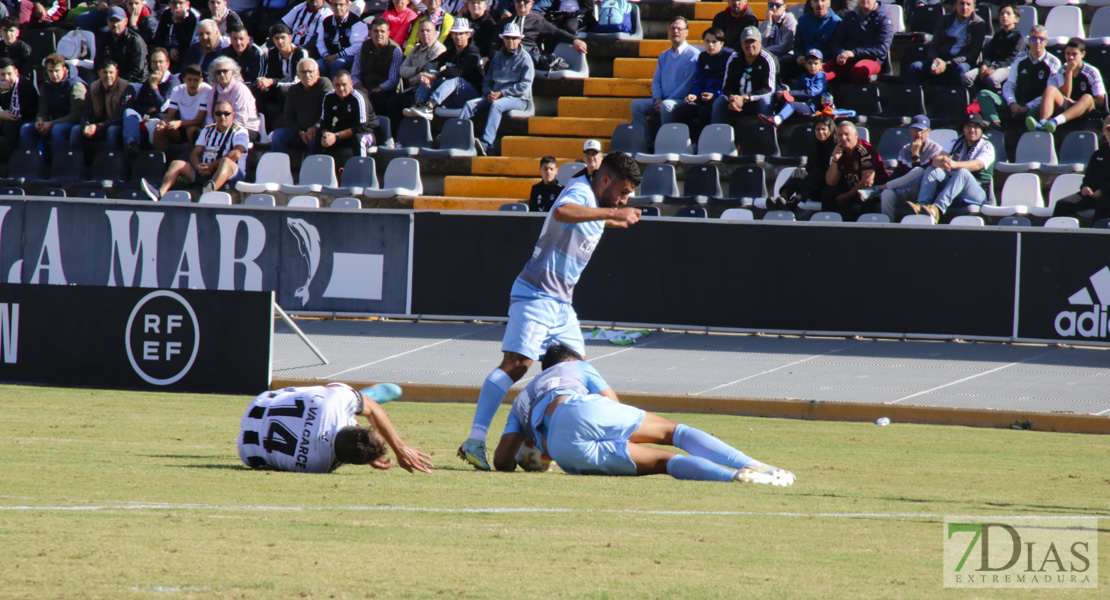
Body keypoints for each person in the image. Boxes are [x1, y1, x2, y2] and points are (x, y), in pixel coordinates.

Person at [457, 151, 642, 471]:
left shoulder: (598, 202)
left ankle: (532, 443)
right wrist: (612, 214)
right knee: (517, 365)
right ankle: (475, 439)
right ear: (607, 181)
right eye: (623, 192)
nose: (624, 199)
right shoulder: (580, 191)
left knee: (576, 374)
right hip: (536, 295)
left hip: (561, 305)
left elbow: (586, 218)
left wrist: (613, 217)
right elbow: (562, 212)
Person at [492, 344, 795, 486]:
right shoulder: (577, 366)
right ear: (573, 359)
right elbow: (612, 402)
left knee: (663, 463)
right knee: (672, 433)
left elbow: (502, 461)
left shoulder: (521, 399)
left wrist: (538, 457)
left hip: (563, 451)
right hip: (577, 410)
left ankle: (735, 478)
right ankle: (754, 465)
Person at [237, 382, 433, 475]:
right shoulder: (319, 466)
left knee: (329, 392)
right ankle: (357, 402)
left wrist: (401, 449)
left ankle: (357, 400)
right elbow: (345, 453)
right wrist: (367, 457)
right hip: (247, 449)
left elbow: (373, 411)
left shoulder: (335, 401)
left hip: (259, 404)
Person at [142, 99, 250, 198]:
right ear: (214, 115)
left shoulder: (240, 132)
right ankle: (159, 193)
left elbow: (236, 154)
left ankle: (209, 195)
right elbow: (195, 153)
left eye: (227, 114)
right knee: (177, 164)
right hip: (205, 170)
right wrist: (198, 166)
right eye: (219, 113)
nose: (222, 117)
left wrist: (212, 166)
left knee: (225, 161)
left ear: (233, 115)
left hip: (231, 173)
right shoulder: (208, 130)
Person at [459, 21, 533, 156]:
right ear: (503, 39)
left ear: (519, 39)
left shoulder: (525, 59)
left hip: (518, 99)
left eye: (514, 38)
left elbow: (524, 86)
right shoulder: (497, 56)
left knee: (497, 105)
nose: (511, 40)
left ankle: (486, 143)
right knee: (469, 105)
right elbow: (487, 81)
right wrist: (489, 93)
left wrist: (501, 94)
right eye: (508, 37)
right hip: (494, 95)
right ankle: (459, 139)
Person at [907, 113, 995, 224]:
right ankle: (923, 206)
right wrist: (943, 161)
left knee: (962, 172)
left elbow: (978, 164)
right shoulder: (955, 142)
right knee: (931, 170)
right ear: (963, 129)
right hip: (954, 185)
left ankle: (937, 209)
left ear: (982, 129)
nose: (972, 130)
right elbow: (936, 160)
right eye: (968, 126)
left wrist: (954, 164)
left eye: (976, 127)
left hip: (978, 191)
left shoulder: (987, 146)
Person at [630, 16, 698, 152]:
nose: (676, 32)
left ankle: (665, 145)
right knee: (636, 106)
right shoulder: (663, 56)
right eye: (673, 28)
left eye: (679, 28)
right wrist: (657, 98)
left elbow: (687, 84)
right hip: (663, 99)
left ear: (687, 32)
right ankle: (646, 145)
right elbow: (656, 81)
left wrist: (667, 100)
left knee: (666, 106)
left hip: (680, 100)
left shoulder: (693, 55)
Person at [976, 25, 1061, 130]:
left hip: (1035, 106)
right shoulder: (1020, 58)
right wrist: (1012, 103)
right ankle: (995, 123)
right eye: (1034, 38)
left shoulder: (1054, 63)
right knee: (984, 94)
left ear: (1046, 41)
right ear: (1029, 41)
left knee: (1031, 115)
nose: (1037, 42)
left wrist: (1026, 107)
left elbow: (1049, 94)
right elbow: (1009, 84)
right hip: (1016, 103)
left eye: (1041, 39)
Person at [402, 17, 484, 119]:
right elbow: (434, 62)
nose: (458, 37)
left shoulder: (473, 54)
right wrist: (425, 73)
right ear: (452, 35)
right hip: (453, 95)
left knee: (455, 79)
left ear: (468, 35)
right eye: (456, 34)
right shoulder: (451, 51)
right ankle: (419, 104)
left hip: (472, 96)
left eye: (461, 34)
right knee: (430, 72)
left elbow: (458, 71)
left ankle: (429, 106)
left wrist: (435, 76)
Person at [1026, 38, 1105, 134]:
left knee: (1087, 97)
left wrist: (1078, 102)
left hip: (1085, 110)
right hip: (1067, 106)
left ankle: (1055, 122)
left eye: (1074, 54)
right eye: (1067, 53)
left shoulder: (1091, 72)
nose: (1070, 57)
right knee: (1050, 89)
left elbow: (1100, 101)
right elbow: (1065, 95)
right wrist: (1069, 72)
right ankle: (1043, 124)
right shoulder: (1062, 69)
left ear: (1082, 54)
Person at [717, 26, 776, 149]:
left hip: (756, 100)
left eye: (753, 41)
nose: (750, 45)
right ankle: (719, 143)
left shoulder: (767, 59)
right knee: (718, 104)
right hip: (737, 101)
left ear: (760, 42)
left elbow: (769, 89)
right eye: (746, 42)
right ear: (741, 44)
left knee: (765, 102)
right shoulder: (734, 58)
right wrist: (732, 98)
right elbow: (726, 87)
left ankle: (765, 142)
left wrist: (745, 98)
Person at [876, 114, 945, 220]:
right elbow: (897, 175)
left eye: (921, 130)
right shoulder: (904, 150)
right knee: (887, 193)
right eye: (915, 129)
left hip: (927, 193)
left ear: (928, 132)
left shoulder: (936, 150)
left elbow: (921, 177)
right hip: (907, 191)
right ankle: (887, 224)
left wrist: (915, 156)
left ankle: (878, 189)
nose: (918, 134)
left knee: (919, 171)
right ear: (910, 131)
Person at [905, 0, 986, 87]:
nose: (964, 7)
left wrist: (948, 63)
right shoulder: (944, 20)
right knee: (915, 67)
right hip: (940, 60)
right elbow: (934, 45)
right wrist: (935, 60)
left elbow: (972, 54)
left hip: (960, 62)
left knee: (961, 69)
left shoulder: (979, 24)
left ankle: (954, 99)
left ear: (973, 7)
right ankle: (914, 98)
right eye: (961, 3)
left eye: (968, 4)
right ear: (955, 5)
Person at [19, 53, 86, 159]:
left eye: (57, 71)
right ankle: (31, 164)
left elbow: (77, 116)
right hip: (53, 123)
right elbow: (42, 110)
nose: (54, 75)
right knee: (26, 129)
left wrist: (51, 123)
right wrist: (40, 121)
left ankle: (59, 166)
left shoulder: (76, 85)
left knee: (57, 129)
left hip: (71, 124)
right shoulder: (46, 86)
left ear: (64, 69)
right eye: (51, 71)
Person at [671, 26, 732, 143]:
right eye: (707, 42)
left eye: (714, 42)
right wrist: (694, 94)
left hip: (719, 98)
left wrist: (714, 95)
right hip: (703, 97)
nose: (710, 45)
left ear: (722, 43)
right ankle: (690, 142)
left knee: (704, 113)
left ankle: (702, 143)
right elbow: (699, 80)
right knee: (680, 112)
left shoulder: (728, 58)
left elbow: (729, 84)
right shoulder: (703, 57)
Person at [496, 0, 587, 72]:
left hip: (527, 58)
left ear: (532, 4)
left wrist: (575, 40)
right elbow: (494, 44)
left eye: (526, 1)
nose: (522, 4)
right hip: (506, 58)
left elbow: (557, 32)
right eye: (518, 1)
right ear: (514, 2)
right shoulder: (506, 22)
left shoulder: (537, 22)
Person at [770, 114, 836, 210]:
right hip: (812, 188)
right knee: (800, 172)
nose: (820, 132)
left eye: (823, 129)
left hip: (827, 189)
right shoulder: (812, 147)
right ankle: (783, 199)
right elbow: (808, 170)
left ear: (830, 130)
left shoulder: (835, 147)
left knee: (817, 172)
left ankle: (795, 201)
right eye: (818, 130)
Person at [823, 120, 887, 218]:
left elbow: (867, 182)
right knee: (829, 192)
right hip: (852, 188)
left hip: (874, 190)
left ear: (856, 135)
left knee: (865, 196)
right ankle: (828, 225)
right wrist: (835, 160)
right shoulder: (838, 150)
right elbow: (831, 182)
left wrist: (846, 196)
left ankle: (866, 228)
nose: (843, 138)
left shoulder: (865, 150)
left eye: (846, 134)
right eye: (840, 135)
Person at [73, 60, 141, 153]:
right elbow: (86, 112)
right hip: (97, 126)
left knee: (112, 131)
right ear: (99, 73)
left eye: (111, 73)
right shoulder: (92, 87)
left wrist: (100, 125)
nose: (108, 76)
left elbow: (121, 116)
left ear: (117, 73)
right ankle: (75, 161)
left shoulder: (126, 88)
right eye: (105, 72)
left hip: (115, 126)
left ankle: (112, 162)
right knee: (76, 130)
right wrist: (87, 126)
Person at [1052, 115, 1110, 223]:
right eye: (1109, 129)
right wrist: (1085, 187)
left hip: (1106, 194)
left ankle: (1095, 236)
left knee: (1103, 203)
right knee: (1062, 204)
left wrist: (1102, 191)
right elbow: (1087, 177)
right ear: (1103, 130)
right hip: (1092, 194)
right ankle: (1054, 237)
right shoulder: (1098, 154)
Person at [386, 18, 444, 125]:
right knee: (391, 102)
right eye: (422, 31)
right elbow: (402, 70)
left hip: (428, 89)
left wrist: (413, 76)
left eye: (428, 31)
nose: (425, 34)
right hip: (412, 88)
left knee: (405, 103)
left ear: (435, 33)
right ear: (417, 34)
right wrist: (417, 70)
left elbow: (431, 74)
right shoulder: (415, 49)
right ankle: (397, 135)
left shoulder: (439, 50)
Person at [271, 57, 332, 155]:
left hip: (318, 131)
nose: (307, 75)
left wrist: (316, 126)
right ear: (298, 75)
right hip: (300, 133)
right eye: (303, 72)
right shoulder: (293, 90)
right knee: (278, 135)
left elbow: (329, 109)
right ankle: (278, 167)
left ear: (317, 73)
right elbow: (288, 117)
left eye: (310, 72)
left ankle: (313, 168)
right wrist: (300, 132)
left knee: (313, 137)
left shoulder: (323, 83)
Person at [316, 70, 378, 165]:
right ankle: (321, 172)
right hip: (343, 131)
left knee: (359, 139)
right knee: (321, 137)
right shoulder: (329, 97)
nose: (341, 89)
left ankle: (360, 173)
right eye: (337, 85)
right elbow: (325, 122)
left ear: (351, 84)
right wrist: (327, 135)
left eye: (344, 85)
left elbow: (361, 127)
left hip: (367, 132)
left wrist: (336, 136)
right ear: (333, 85)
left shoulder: (359, 98)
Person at [827, 0, 891, 84]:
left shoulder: (884, 19)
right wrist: (840, 53)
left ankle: (859, 96)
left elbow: (881, 49)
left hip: (872, 60)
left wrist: (854, 53)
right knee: (818, 71)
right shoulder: (849, 16)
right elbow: (837, 41)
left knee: (859, 71)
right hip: (847, 58)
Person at [964, 3, 1023, 93]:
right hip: (991, 66)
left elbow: (1012, 58)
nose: (1004, 16)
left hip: (1007, 67)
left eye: (1008, 14)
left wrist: (994, 67)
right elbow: (988, 53)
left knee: (992, 79)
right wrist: (984, 65)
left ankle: (998, 102)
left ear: (1016, 19)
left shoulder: (1018, 37)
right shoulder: (997, 36)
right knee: (966, 78)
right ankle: (975, 100)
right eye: (1002, 14)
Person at [760, 48, 826, 128]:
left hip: (812, 106)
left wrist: (790, 93)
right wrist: (785, 95)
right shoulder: (803, 77)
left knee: (791, 105)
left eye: (815, 63)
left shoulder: (821, 77)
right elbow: (796, 90)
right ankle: (768, 124)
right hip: (801, 103)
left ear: (821, 65)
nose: (812, 66)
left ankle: (776, 120)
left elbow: (811, 92)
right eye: (809, 63)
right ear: (805, 64)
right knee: (778, 95)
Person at [131, 47, 180, 153]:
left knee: (156, 127)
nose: (157, 66)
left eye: (160, 62)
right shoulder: (148, 82)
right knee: (128, 115)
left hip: (166, 123)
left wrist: (154, 86)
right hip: (147, 120)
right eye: (154, 62)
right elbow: (136, 107)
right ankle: (132, 150)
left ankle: (158, 162)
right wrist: (150, 110)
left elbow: (162, 107)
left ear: (167, 63)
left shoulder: (173, 81)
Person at [152, 63, 210, 151]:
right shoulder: (177, 90)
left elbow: (199, 121)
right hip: (182, 128)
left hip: (199, 129)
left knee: (191, 130)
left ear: (201, 80)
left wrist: (179, 123)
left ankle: (192, 159)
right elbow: (169, 117)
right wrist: (163, 123)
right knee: (159, 130)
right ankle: (161, 161)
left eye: (196, 80)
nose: (192, 83)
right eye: (189, 80)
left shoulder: (206, 90)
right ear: (184, 80)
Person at [352, 17, 403, 116]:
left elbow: (393, 80)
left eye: (382, 31)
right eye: (376, 31)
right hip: (364, 88)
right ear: (370, 32)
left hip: (384, 91)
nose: (379, 34)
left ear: (388, 33)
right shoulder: (362, 48)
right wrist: (362, 89)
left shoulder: (395, 50)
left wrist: (374, 91)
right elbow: (354, 75)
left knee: (377, 98)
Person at [207, 56, 259, 139]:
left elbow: (241, 119)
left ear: (233, 72)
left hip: (245, 129)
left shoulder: (240, 89)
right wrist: (213, 130)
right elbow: (209, 116)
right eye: (218, 72)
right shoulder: (212, 91)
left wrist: (223, 132)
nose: (222, 74)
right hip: (220, 128)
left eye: (225, 71)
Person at [788, 0, 840, 82]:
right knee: (783, 65)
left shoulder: (837, 22)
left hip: (824, 65)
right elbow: (797, 45)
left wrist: (819, 64)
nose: (819, 4)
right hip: (805, 62)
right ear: (811, 4)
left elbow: (836, 49)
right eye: (816, 1)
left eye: (823, 1)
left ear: (829, 3)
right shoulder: (803, 20)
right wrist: (799, 56)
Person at [0, 57, 38, 164]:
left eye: (9, 74)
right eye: (3, 74)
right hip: (9, 118)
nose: (6, 78)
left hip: (27, 118)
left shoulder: (25, 85)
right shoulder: (1, 85)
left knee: (9, 125)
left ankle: (10, 163)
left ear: (16, 72)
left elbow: (16, 112)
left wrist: (6, 92)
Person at [97, 6, 149, 84]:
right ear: (107, 22)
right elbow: (98, 63)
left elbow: (137, 71)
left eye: (118, 21)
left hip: (135, 81)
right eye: (112, 21)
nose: (115, 24)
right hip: (110, 79)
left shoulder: (135, 41)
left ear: (126, 21)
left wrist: (117, 82)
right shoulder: (104, 39)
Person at [316, 0, 367, 78]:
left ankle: (335, 88)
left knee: (337, 64)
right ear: (331, 6)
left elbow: (357, 46)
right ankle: (325, 88)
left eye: (341, 5)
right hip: (329, 55)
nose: (338, 8)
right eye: (335, 5)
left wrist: (337, 56)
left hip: (350, 56)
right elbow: (320, 43)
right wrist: (326, 56)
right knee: (318, 65)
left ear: (347, 6)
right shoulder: (326, 21)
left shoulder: (356, 22)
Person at [151, 0, 200, 69]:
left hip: (184, 56)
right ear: (169, 3)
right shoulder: (166, 13)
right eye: (174, 3)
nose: (177, 6)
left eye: (180, 3)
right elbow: (158, 38)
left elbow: (187, 44)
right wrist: (169, 50)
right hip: (167, 52)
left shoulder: (193, 17)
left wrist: (178, 23)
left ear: (187, 4)